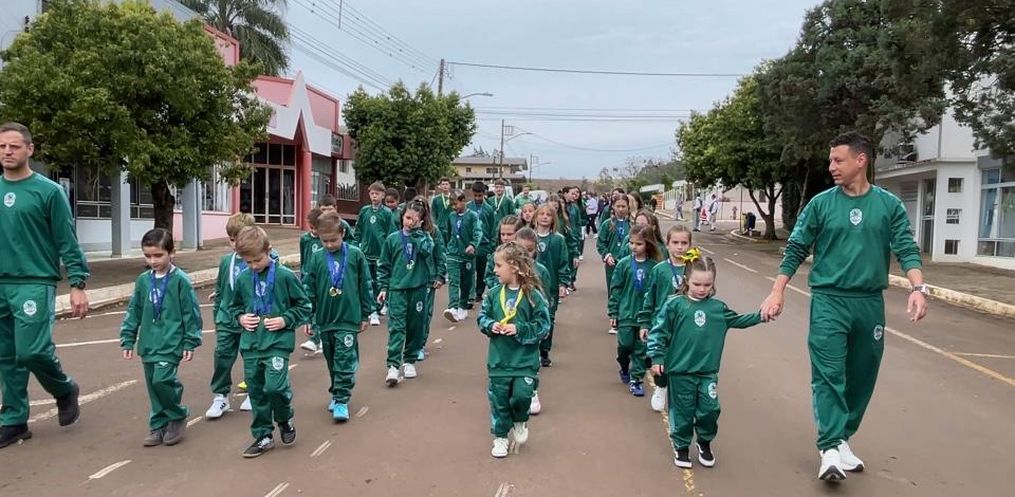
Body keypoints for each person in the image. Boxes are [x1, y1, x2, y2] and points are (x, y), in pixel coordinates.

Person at [760, 131, 928, 481]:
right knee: (829, 374)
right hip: (829, 301)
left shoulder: (888, 205)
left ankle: (842, 437)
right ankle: (830, 448)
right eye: (831, 160)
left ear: (860, 160)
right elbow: (796, 248)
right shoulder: (821, 204)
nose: (831, 166)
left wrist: (918, 288)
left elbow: (906, 247)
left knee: (863, 375)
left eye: (838, 160)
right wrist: (778, 291)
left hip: (869, 303)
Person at [0, 122, 87, 449]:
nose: (7, 152)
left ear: (29, 149)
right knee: (6, 356)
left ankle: (64, 388)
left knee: (31, 351)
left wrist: (77, 282)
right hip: (1, 283)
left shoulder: (48, 191)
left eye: (14, 146)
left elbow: (67, 239)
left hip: (34, 281)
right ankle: (14, 420)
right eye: (2, 146)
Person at [648, 251, 765, 469]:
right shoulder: (674, 305)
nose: (702, 289)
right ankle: (681, 446)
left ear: (713, 284)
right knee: (682, 412)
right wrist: (657, 357)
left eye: (707, 285)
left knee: (710, 409)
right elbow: (659, 332)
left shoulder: (717, 308)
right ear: (686, 280)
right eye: (697, 284)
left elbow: (738, 320)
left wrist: (762, 315)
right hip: (680, 371)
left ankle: (704, 442)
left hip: (707, 372)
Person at [229, 226, 312, 458]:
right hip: (251, 345)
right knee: (256, 391)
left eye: (257, 260)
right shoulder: (243, 278)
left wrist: (285, 319)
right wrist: (240, 318)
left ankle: (285, 418)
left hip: (277, 343)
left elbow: (304, 305)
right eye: (248, 262)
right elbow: (233, 307)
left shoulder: (285, 276)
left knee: (275, 388)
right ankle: (263, 434)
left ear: (269, 250)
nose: (254, 266)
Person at [120, 228, 203, 447]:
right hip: (148, 343)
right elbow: (134, 310)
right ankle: (158, 423)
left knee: (162, 380)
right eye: (147, 256)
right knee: (153, 385)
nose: (153, 261)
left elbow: (191, 313)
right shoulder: (143, 281)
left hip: (171, 342)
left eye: (158, 255)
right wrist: (128, 337)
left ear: (171, 253)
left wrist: (190, 341)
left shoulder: (180, 281)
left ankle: (176, 415)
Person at [477, 242, 551, 458]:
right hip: (499, 360)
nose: (494, 270)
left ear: (514, 266)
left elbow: (543, 325)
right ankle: (500, 437)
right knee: (499, 401)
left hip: (524, 361)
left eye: (498, 265)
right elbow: (482, 317)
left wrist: (519, 329)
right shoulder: (493, 294)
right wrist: (490, 325)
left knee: (522, 396)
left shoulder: (533, 296)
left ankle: (520, 420)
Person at [303, 212, 373, 422]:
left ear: (342, 233)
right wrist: (309, 317)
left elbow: (365, 284)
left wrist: (366, 313)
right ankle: (336, 390)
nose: (329, 244)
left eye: (333, 240)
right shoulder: (317, 257)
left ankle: (342, 399)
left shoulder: (355, 255)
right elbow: (309, 289)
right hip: (325, 319)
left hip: (348, 318)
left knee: (343, 358)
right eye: (324, 241)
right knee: (332, 359)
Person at [207, 212, 268, 418]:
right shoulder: (227, 261)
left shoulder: (259, 261)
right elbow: (221, 289)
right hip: (227, 318)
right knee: (222, 356)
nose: (235, 244)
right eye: (232, 240)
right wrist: (217, 317)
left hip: (250, 319)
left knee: (252, 358)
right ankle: (221, 396)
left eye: (239, 239)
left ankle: (253, 391)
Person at [377, 201, 439, 385]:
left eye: (414, 219)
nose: (410, 222)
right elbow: (384, 265)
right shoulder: (392, 239)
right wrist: (383, 287)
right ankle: (393, 365)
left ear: (421, 221)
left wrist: (418, 234)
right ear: (402, 216)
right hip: (397, 290)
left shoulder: (425, 238)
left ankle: (410, 360)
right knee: (396, 327)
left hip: (418, 289)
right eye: (407, 217)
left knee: (415, 327)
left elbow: (428, 252)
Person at [637, 225, 693, 412]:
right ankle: (661, 387)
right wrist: (645, 322)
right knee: (661, 356)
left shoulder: (694, 268)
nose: (680, 247)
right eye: (675, 242)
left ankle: (682, 391)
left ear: (690, 245)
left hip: (685, 324)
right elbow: (650, 297)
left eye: (684, 243)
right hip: (662, 324)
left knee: (683, 358)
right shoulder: (659, 270)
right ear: (667, 244)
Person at [607, 225, 662, 398]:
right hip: (626, 313)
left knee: (641, 349)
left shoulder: (655, 267)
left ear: (648, 244)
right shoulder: (623, 264)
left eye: (639, 244)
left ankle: (636, 379)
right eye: (631, 243)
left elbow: (657, 292)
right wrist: (613, 312)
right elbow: (616, 288)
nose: (634, 247)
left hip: (645, 316)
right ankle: (624, 366)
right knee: (625, 345)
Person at [514, 228, 553, 415]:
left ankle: (532, 391)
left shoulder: (541, 271)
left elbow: (546, 299)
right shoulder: (508, 270)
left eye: (529, 250)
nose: (525, 255)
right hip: (512, 323)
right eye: (520, 250)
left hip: (531, 325)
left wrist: (544, 323)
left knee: (530, 358)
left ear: (536, 249)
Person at [532, 204, 571, 367]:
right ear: (536, 217)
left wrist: (563, 283)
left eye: (548, 214)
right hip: (532, 285)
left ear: (553, 218)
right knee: (532, 316)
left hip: (551, 287)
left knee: (549, 316)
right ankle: (532, 348)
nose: (544, 217)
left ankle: (544, 350)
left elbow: (563, 262)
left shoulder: (558, 239)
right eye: (541, 214)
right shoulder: (530, 236)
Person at [354, 181, 397, 327]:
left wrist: (389, 251)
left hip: (381, 254)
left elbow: (391, 234)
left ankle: (379, 307)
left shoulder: (387, 213)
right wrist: (357, 245)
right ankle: (371, 310)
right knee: (368, 282)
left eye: (377, 194)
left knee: (380, 282)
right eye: (372, 194)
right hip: (366, 253)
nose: (374, 196)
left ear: (383, 195)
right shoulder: (364, 211)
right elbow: (358, 230)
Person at [411, 196, 446, 363]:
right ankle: (409, 343)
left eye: (422, 207)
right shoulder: (404, 231)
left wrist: (440, 275)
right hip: (408, 278)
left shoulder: (433, 231)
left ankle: (420, 344)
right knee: (408, 314)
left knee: (424, 313)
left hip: (427, 278)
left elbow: (440, 253)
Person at [442, 190, 482, 323]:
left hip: (467, 254)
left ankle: (463, 306)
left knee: (466, 282)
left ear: (463, 201)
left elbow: (478, 232)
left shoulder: (473, 216)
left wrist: (473, 245)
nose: (454, 207)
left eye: (456, 204)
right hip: (453, 253)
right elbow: (449, 232)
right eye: (452, 205)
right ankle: (453, 307)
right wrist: (449, 245)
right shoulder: (451, 216)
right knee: (454, 280)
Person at [596, 193, 632, 335]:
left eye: (624, 206)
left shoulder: (632, 224)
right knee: (614, 290)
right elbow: (601, 243)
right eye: (618, 206)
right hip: (612, 264)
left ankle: (627, 317)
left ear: (628, 207)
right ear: (613, 207)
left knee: (628, 289)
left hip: (629, 262)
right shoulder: (608, 224)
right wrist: (607, 255)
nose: (621, 209)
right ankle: (614, 318)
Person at [298, 208, 326, 353]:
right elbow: (303, 258)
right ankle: (316, 337)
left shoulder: (325, 240)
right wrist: (302, 276)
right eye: (312, 227)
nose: (314, 231)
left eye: (317, 228)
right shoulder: (305, 239)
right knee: (310, 307)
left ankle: (317, 339)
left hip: (321, 279)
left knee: (320, 308)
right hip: (307, 278)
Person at [469, 182, 496, 309]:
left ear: (484, 194)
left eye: (480, 195)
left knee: (481, 271)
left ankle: (479, 293)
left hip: (484, 245)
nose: (477, 198)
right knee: (469, 271)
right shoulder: (468, 207)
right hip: (471, 245)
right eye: (475, 195)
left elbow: (492, 228)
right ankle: (469, 294)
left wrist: (492, 245)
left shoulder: (489, 209)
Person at [485, 215, 526, 290]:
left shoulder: (526, 255)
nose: (505, 238)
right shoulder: (495, 256)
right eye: (502, 234)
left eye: (509, 234)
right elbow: (489, 277)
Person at [430, 177, 453, 242]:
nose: (445, 186)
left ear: (449, 185)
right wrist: (434, 225)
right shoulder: (436, 199)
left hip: (451, 226)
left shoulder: (454, 198)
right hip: (440, 227)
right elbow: (433, 214)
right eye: (443, 184)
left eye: (446, 184)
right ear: (440, 186)